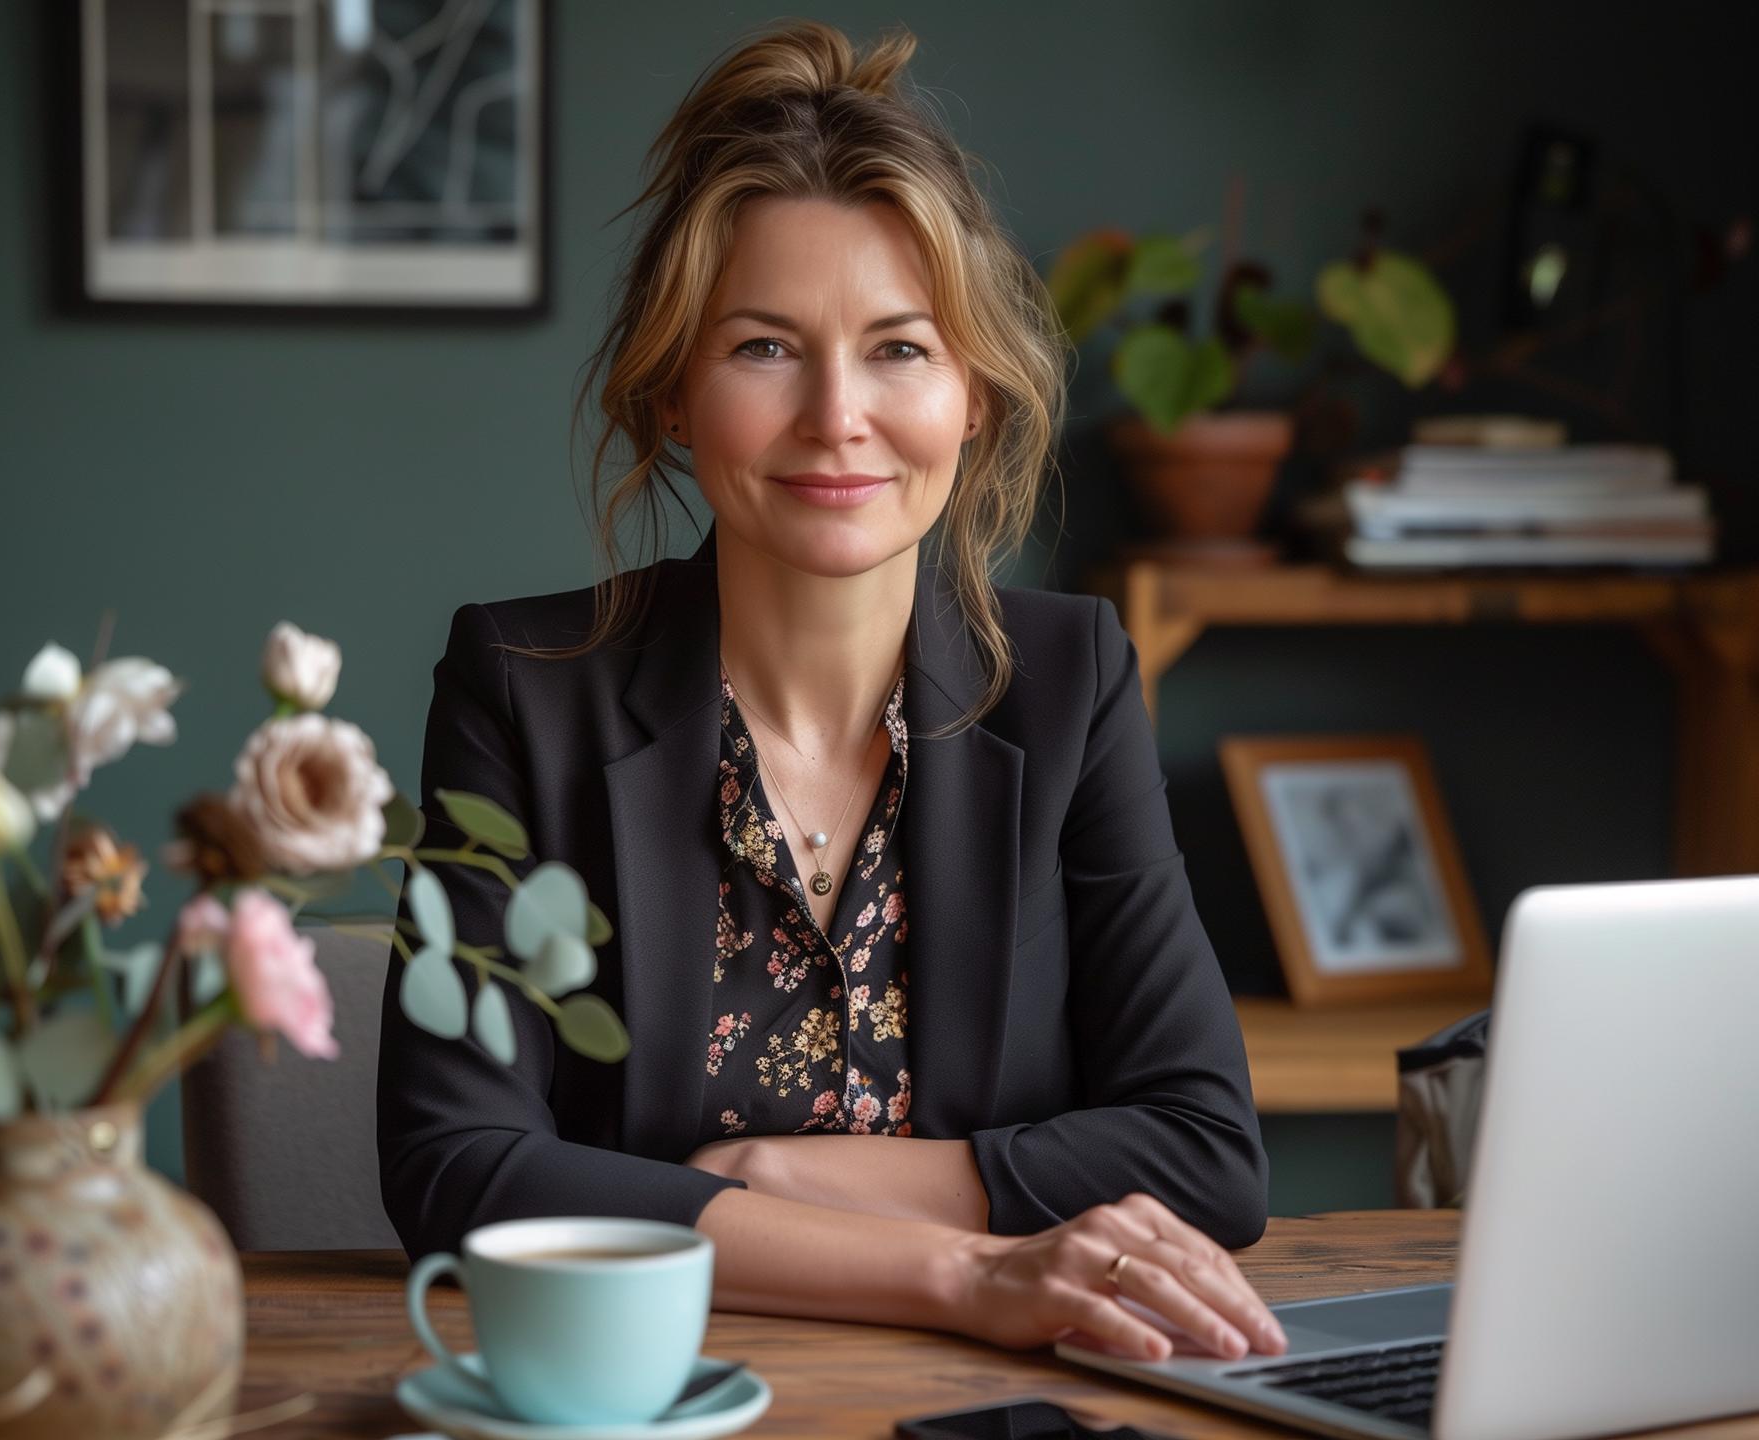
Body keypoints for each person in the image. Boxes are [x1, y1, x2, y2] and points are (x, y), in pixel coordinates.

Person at [378, 22, 1284, 1365]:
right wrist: (962, 1271)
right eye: (762, 347)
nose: (837, 415)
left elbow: (1207, 1152)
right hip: (656, 1392)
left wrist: (788, 1179)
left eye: (900, 349)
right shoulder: (522, 692)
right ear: (674, 393)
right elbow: (457, 1169)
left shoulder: (1072, 682)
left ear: (973, 394)